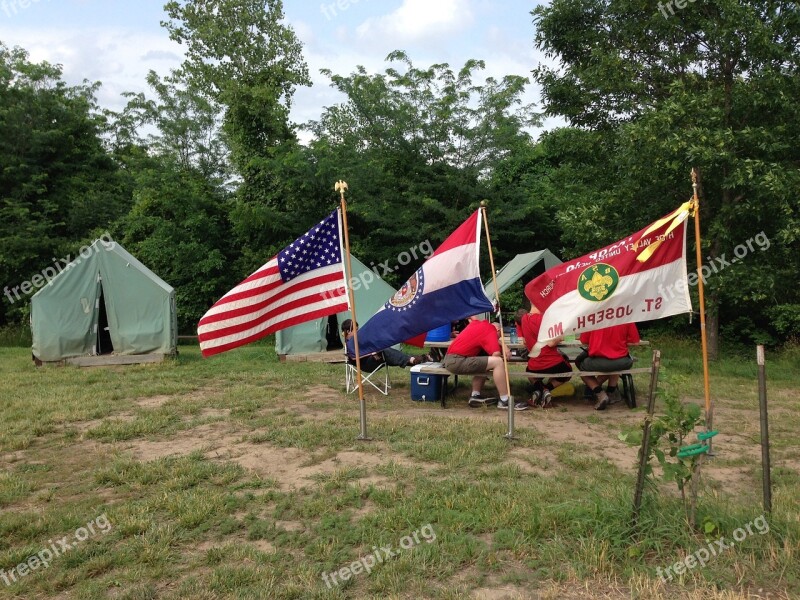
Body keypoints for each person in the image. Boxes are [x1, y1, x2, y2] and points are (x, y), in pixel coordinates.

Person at [443, 317, 526, 410]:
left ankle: (475, 396)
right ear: (498, 330)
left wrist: (501, 343)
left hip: (450, 359)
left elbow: (474, 319)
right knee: (498, 362)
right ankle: (504, 400)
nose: (497, 338)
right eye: (499, 336)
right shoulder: (491, 330)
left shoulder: (479, 324)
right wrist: (503, 348)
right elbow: (496, 355)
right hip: (457, 361)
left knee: (485, 360)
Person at [518, 304, 573, 408]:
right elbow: (551, 343)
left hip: (534, 365)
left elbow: (525, 340)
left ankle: (540, 391)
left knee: (530, 373)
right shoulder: (547, 319)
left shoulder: (524, 318)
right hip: (553, 363)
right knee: (568, 372)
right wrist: (560, 337)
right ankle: (546, 390)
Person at [577, 323, 640, 411]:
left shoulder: (593, 317)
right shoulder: (625, 316)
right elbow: (635, 342)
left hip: (599, 360)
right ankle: (611, 391)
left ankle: (600, 393)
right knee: (614, 365)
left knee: (582, 369)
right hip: (622, 362)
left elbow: (584, 341)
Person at [341, 320, 430, 370]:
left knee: (389, 355)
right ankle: (416, 359)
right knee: (385, 351)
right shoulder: (349, 344)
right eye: (355, 330)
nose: (358, 331)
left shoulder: (357, 339)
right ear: (348, 331)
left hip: (375, 359)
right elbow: (355, 357)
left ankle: (421, 360)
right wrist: (372, 353)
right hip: (366, 364)